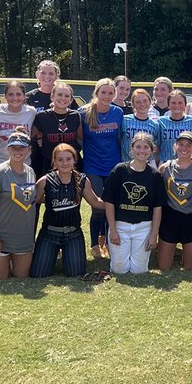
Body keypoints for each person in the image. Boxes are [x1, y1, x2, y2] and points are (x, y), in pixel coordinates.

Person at [100, 132, 165, 275]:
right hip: (120, 225)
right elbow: (109, 202)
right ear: (132, 149)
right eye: (138, 147)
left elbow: (157, 207)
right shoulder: (119, 170)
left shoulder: (155, 176)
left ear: (151, 150)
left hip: (143, 227)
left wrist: (154, 234)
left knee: (139, 271)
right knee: (119, 269)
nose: (142, 151)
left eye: (146, 147)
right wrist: (113, 230)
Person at [0, 129, 37, 280]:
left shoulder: (31, 172)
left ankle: (8, 261)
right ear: (8, 149)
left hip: (22, 236)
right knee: (1, 277)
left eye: (22, 148)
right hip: (1, 236)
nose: (17, 152)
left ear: (29, 149)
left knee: (21, 275)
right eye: (14, 148)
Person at [79, 78, 124, 260]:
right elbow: (79, 138)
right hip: (93, 167)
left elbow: (120, 139)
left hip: (113, 166)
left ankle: (105, 241)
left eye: (110, 93)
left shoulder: (118, 112)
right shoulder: (84, 113)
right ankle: (94, 245)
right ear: (96, 93)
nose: (106, 96)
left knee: (111, 205)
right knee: (98, 207)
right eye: (103, 92)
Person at [30, 143, 90, 279]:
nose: (65, 163)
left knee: (75, 274)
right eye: (60, 159)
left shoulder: (82, 180)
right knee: (38, 274)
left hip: (73, 233)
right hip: (50, 232)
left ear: (75, 160)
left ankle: (68, 254)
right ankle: (51, 254)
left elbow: (95, 201)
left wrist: (116, 204)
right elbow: (34, 202)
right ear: (54, 161)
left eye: (68, 159)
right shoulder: (44, 181)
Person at [157, 131, 192, 271]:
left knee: (190, 267)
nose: (184, 148)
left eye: (188, 145)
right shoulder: (165, 168)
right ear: (175, 146)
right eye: (181, 144)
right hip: (170, 218)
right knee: (163, 267)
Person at [30, 81, 82, 178]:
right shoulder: (42, 116)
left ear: (71, 100)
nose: (63, 98)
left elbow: (82, 136)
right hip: (50, 164)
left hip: (72, 164)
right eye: (59, 95)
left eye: (67, 96)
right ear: (52, 97)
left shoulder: (75, 116)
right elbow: (31, 136)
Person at [0, 80, 36, 166]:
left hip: (24, 163)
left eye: (18, 94)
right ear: (5, 96)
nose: (14, 98)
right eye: (10, 94)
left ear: (24, 96)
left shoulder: (31, 112)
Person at [156, 89, 192, 164]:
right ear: (168, 105)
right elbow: (157, 146)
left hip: (187, 163)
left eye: (180, 103)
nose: (177, 105)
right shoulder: (161, 121)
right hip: (166, 163)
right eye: (173, 103)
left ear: (185, 104)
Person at [122, 87, 161, 163]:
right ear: (133, 104)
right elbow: (119, 140)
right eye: (138, 102)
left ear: (150, 102)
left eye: (145, 101)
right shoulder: (124, 120)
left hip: (146, 165)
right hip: (126, 165)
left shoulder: (155, 124)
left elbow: (156, 147)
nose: (142, 104)